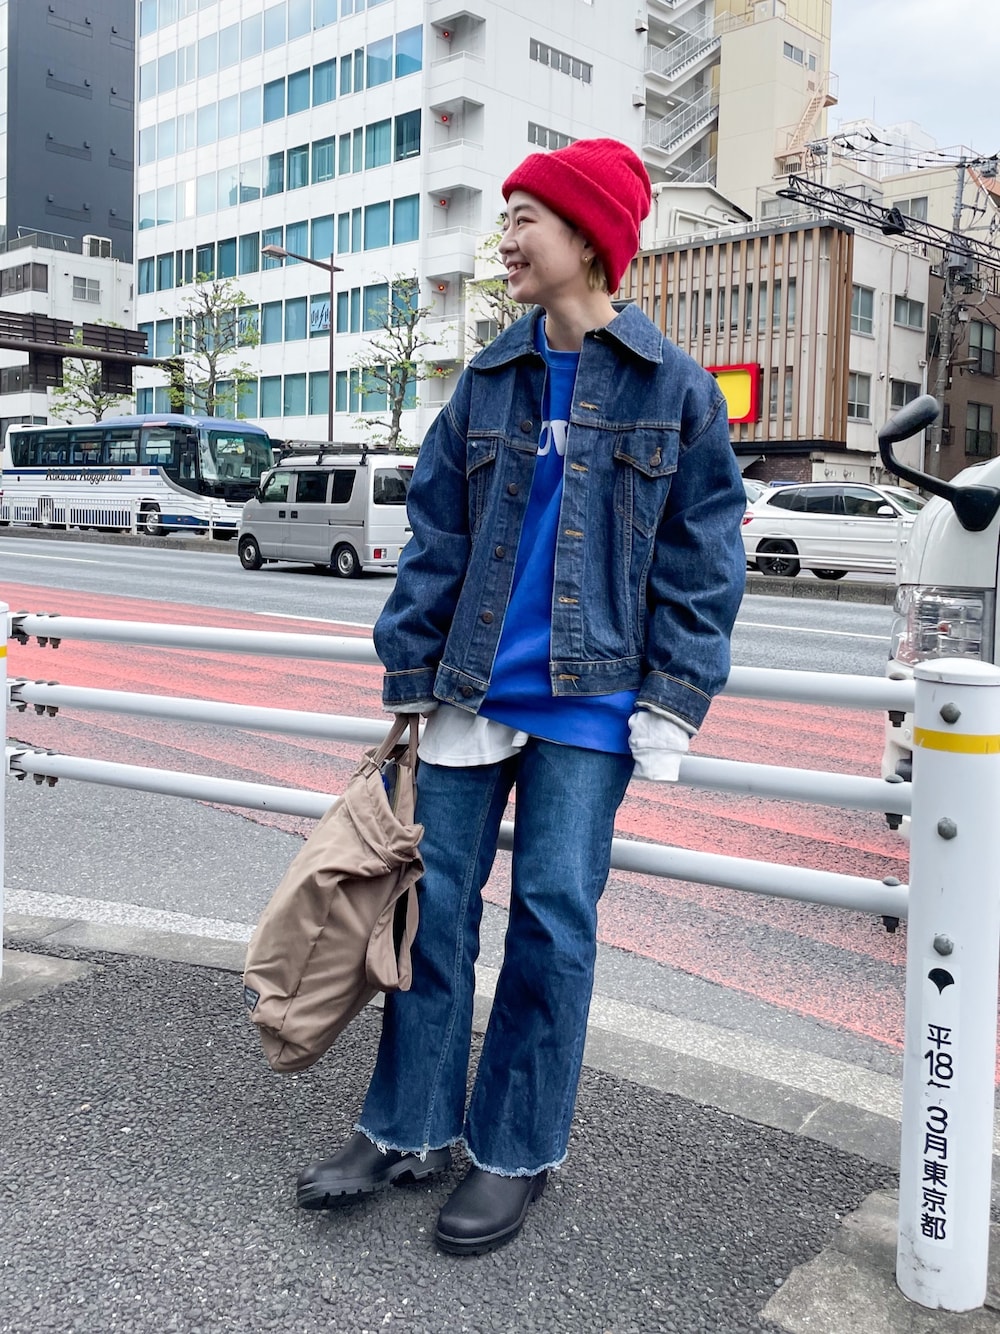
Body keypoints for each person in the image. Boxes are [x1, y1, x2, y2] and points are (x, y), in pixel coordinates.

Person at [296, 138, 747, 1255]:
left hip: (593, 703)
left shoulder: (675, 388)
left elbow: (703, 555)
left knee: (553, 920)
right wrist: (410, 672)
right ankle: (407, 1125)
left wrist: (675, 696)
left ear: (589, 238)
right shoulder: (489, 378)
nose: (504, 240)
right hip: (470, 688)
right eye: (504, 219)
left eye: (523, 219)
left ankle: (514, 1151)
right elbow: (436, 537)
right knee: (431, 910)